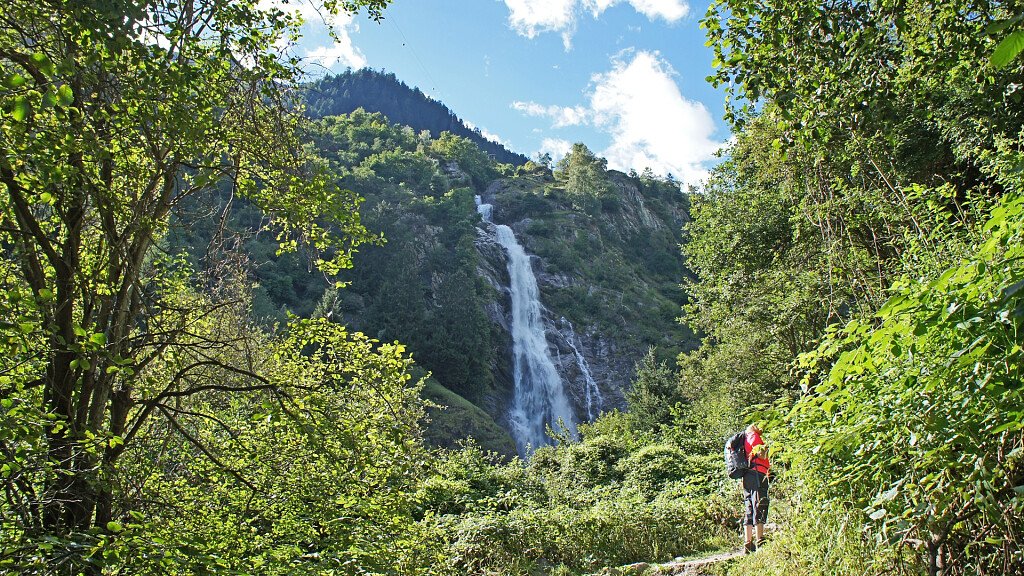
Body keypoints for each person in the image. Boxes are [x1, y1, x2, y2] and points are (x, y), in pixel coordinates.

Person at [742, 423, 770, 553]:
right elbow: (761, 455)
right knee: (760, 502)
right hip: (758, 473)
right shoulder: (754, 436)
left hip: (747, 475)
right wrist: (767, 449)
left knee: (749, 504)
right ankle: (760, 539)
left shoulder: (744, 439)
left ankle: (748, 542)